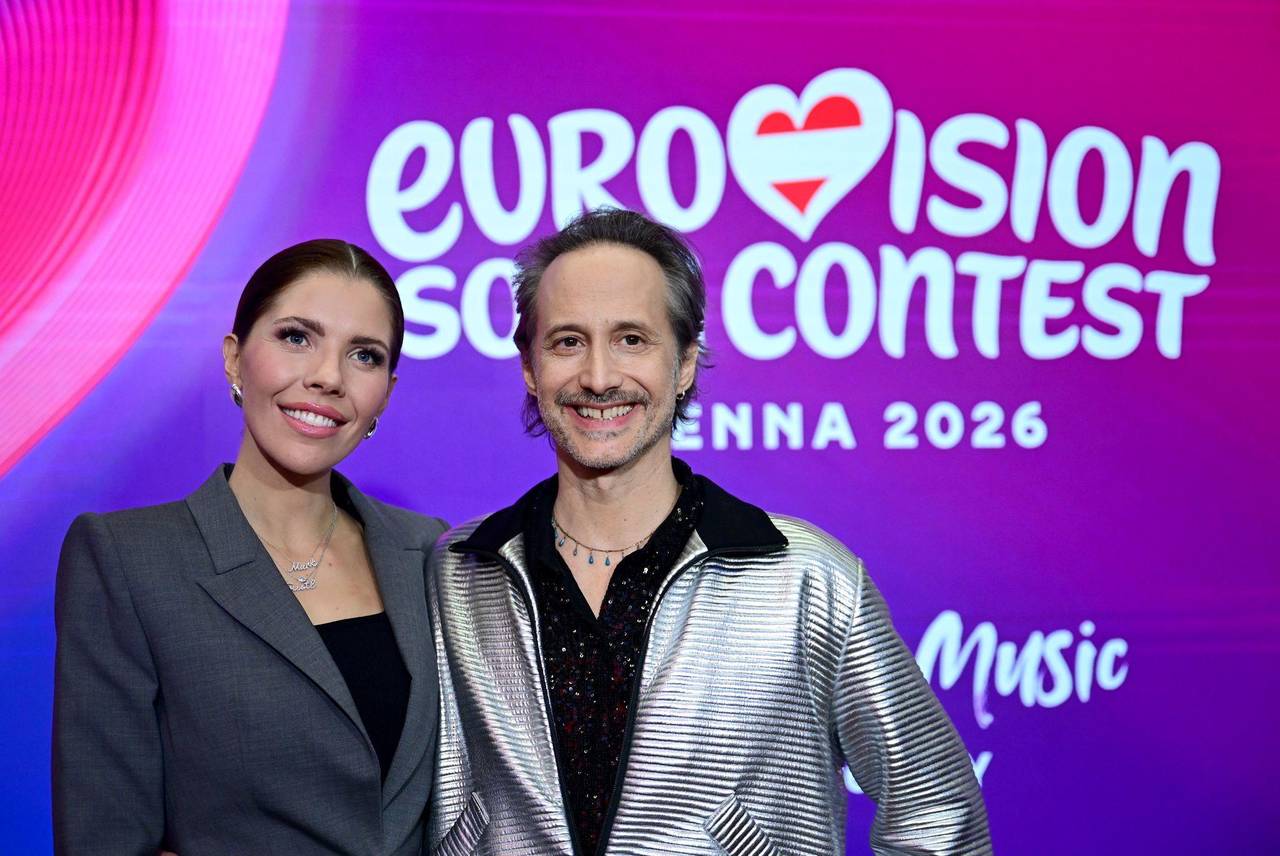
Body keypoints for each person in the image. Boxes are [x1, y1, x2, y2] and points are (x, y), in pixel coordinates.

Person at [426, 209, 992, 855]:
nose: (599, 377)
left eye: (632, 339)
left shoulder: (805, 577)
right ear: (530, 367)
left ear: (685, 363)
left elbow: (937, 807)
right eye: (567, 342)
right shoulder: (457, 573)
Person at [53, 240, 446, 855]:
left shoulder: (429, 552)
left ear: (386, 394)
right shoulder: (128, 560)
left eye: (363, 355)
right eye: (297, 337)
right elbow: (103, 836)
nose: (328, 376)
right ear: (235, 359)